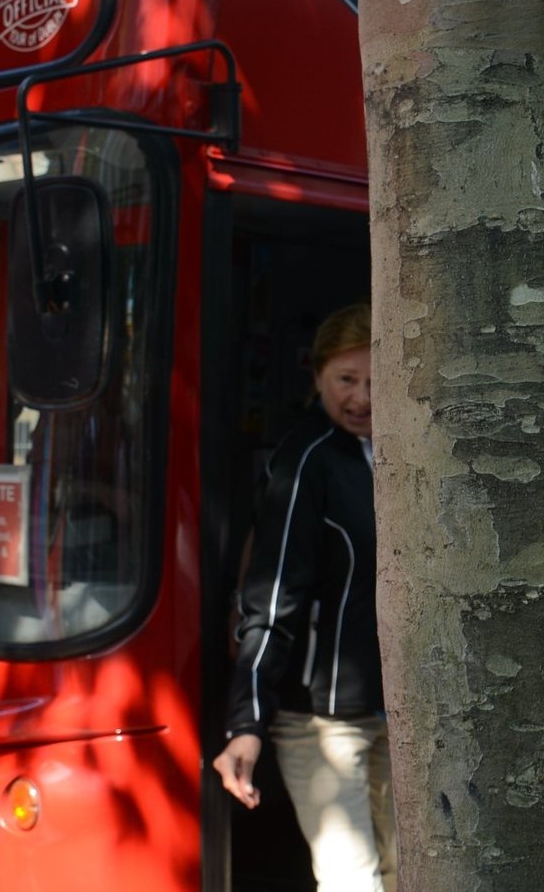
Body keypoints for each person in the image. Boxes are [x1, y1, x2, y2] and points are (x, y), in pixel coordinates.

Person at [213, 302, 395, 892]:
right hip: (318, 722)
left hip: (397, 716)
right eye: (346, 380)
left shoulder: (407, 453)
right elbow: (272, 598)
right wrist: (247, 723)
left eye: (376, 380)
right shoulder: (305, 460)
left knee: (410, 875)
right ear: (316, 377)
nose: (362, 398)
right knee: (355, 884)